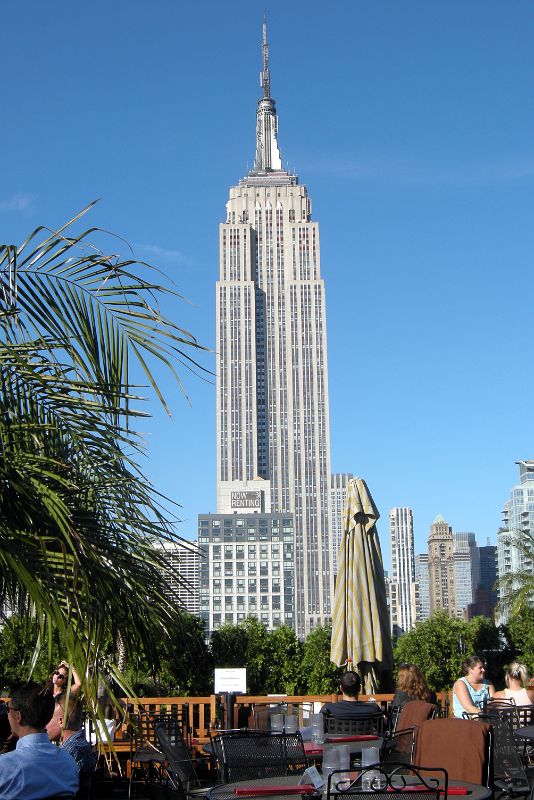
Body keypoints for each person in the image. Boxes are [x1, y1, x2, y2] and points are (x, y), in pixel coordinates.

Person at [0, 682, 79, 799]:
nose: (6, 713)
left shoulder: (5, 767)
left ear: (18, 716)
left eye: (8, 708)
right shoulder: (69, 763)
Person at [46, 692, 96, 777]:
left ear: (61, 721)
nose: (45, 725)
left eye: (48, 719)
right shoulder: (81, 745)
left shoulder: (68, 752)